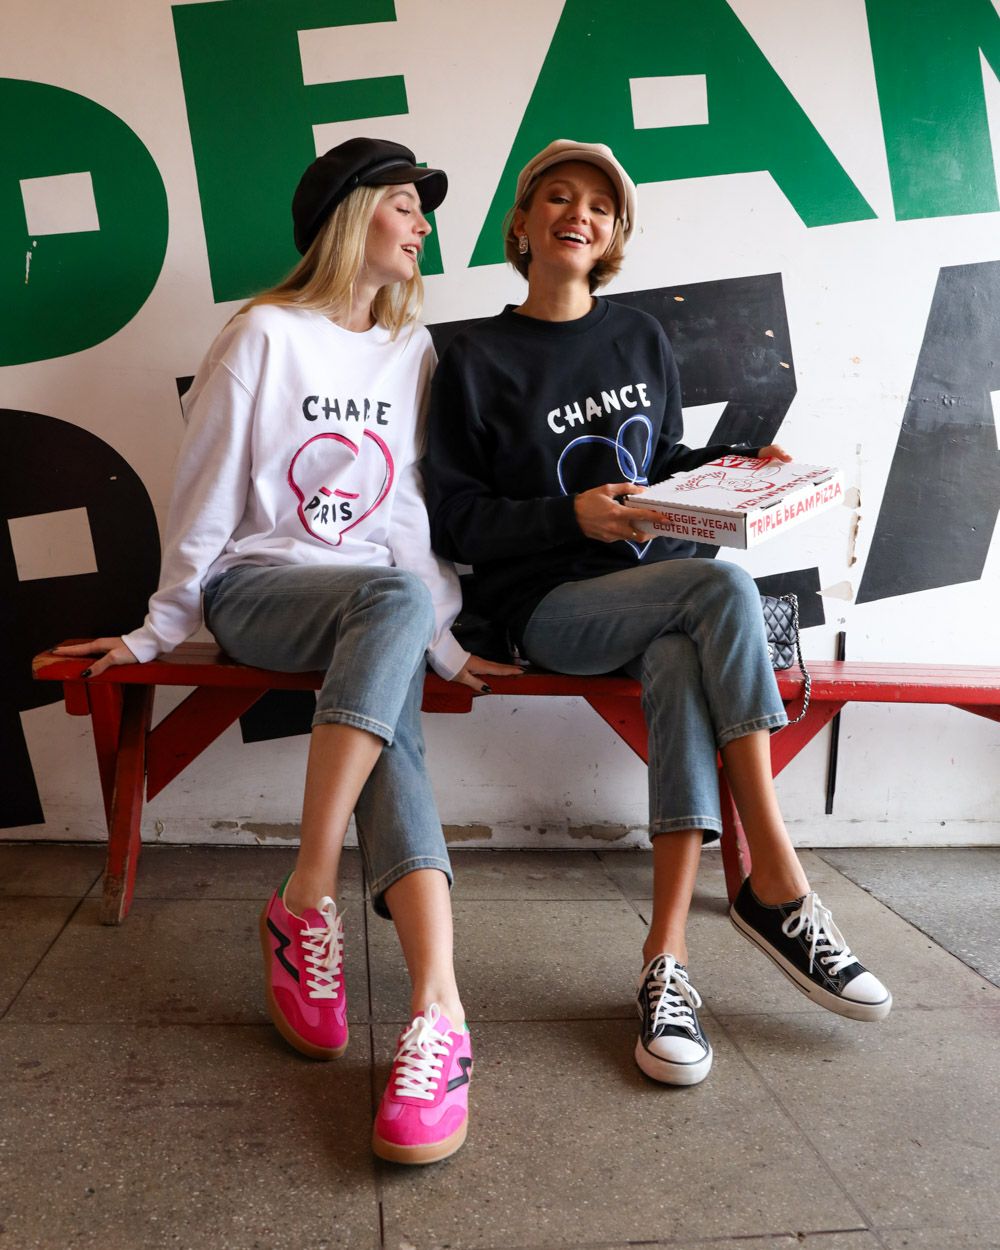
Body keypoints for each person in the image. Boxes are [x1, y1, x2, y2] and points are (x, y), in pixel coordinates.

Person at [54, 137, 519, 1162]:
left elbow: (405, 511)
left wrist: (440, 640)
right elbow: (207, 491)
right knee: (391, 609)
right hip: (258, 590)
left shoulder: (411, 350)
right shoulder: (262, 334)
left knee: (394, 650)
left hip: (376, 606)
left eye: (423, 208)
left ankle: (433, 1006)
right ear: (350, 215)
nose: (423, 224)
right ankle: (311, 890)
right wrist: (161, 625)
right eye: (404, 203)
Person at [423, 138, 891, 1088]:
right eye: (559, 197)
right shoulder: (471, 355)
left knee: (682, 658)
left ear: (613, 237)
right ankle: (777, 879)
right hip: (545, 609)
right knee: (721, 589)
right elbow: (454, 517)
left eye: (600, 207)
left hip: (653, 595)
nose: (580, 214)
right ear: (523, 224)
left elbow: (662, 466)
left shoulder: (639, 337)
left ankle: (665, 962)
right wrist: (570, 516)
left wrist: (734, 467)